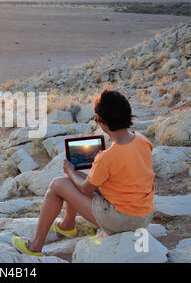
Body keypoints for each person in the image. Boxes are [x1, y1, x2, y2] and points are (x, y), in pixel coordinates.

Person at [11, 89, 155, 256]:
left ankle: (35, 246)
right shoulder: (142, 140)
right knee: (74, 180)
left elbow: (86, 189)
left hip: (122, 220)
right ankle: (67, 226)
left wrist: (70, 171)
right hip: (144, 215)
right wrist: (75, 175)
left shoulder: (107, 157)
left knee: (58, 184)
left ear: (101, 122)